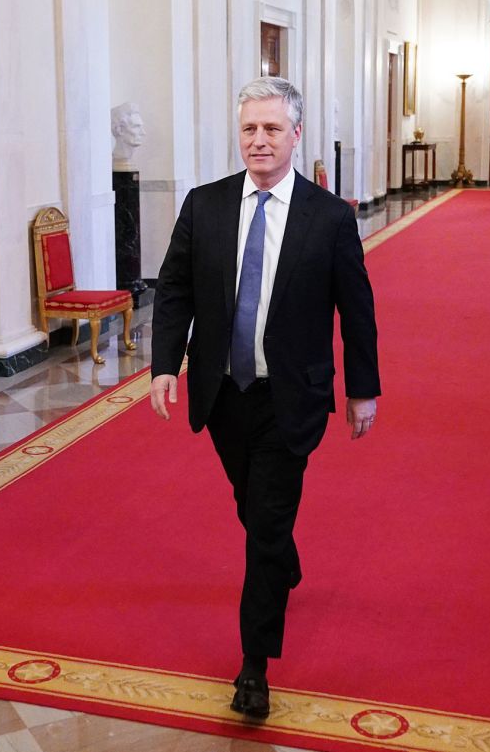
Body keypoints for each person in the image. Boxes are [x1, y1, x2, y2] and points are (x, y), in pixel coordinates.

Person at [149, 77, 381, 719]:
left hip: (291, 398)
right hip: (222, 394)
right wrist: (165, 365)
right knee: (252, 506)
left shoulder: (329, 218)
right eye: (250, 128)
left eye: (272, 129)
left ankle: (254, 664)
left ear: (295, 135)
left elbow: (356, 311)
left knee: (265, 526)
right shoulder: (204, 205)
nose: (259, 140)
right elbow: (174, 290)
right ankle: (286, 558)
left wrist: (363, 388)